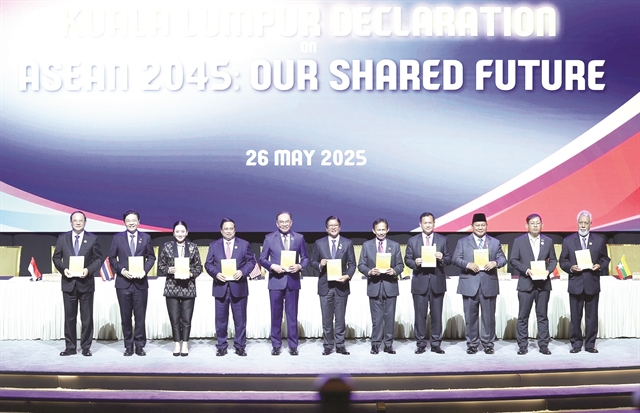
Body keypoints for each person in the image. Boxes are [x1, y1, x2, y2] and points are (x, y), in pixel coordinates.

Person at [453, 213, 506, 355]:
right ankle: (472, 344)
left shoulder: (494, 242)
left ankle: (488, 344)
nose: (480, 228)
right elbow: (455, 259)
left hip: (488, 284)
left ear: (487, 226)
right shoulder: (463, 242)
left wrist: (495, 263)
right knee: (470, 317)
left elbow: (502, 258)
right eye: (477, 225)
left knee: (489, 318)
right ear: (472, 226)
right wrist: (468, 264)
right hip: (469, 284)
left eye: (483, 225)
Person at [52, 211, 104, 357]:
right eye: (75, 220)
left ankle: (86, 347)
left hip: (86, 283)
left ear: (85, 222)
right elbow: (56, 258)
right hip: (68, 283)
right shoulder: (62, 238)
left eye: (81, 220)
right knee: (70, 318)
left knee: (86, 318)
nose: (78, 223)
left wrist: (88, 270)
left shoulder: (92, 239)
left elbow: (98, 259)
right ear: (71, 222)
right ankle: (70, 347)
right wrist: (64, 270)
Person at [559, 210, 610, 354]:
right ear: (577, 223)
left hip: (592, 283)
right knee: (575, 317)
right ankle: (576, 344)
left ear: (590, 224)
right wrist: (571, 267)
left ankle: (590, 345)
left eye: (585, 223)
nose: (583, 225)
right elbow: (562, 261)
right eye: (580, 222)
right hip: (575, 283)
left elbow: (605, 259)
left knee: (591, 317)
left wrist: (599, 265)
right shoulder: (568, 240)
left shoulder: (599, 240)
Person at [259, 211, 309, 356]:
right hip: (276, 281)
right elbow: (262, 259)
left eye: (287, 221)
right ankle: (276, 345)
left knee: (292, 315)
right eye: (281, 222)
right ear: (277, 223)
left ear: (291, 222)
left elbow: (305, 258)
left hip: (292, 281)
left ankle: (293, 345)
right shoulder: (269, 238)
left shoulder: (299, 238)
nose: (284, 224)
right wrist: (272, 266)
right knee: (276, 315)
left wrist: (300, 266)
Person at [205, 218, 256, 357]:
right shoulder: (214, 245)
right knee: (221, 321)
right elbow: (208, 264)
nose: (228, 231)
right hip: (220, 287)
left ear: (235, 229)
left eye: (231, 228)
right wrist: (216, 274)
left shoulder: (244, 244)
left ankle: (240, 346)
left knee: (240, 320)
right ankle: (221, 346)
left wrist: (242, 272)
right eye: (226, 229)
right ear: (221, 230)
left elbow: (251, 262)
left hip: (239, 287)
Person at [108, 209, 156, 356]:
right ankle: (128, 346)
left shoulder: (146, 238)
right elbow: (111, 258)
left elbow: (151, 257)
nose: (131, 223)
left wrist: (144, 271)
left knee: (140, 317)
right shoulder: (117, 238)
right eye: (128, 221)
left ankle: (140, 345)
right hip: (123, 283)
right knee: (126, 317)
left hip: (140, 284)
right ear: (124, 222)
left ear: (139, 222)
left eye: (134, 220)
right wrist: (121, 270)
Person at [509, 213, 557, 355]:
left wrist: (548, 271)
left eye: (538, 223)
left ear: (542, 225)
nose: (535, 225)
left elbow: (553, 260)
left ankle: (543, 345)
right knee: (523, 316)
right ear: (527, 225)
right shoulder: (519, 241)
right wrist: (526, 270)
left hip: (543, 284)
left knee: (542, 316)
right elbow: (513, 260)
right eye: (532, 223)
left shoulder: (548, 241)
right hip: (526, 283)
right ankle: (522, 345)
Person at [404, 212, 451, 355]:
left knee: (437, 315)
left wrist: (442, 258)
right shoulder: (413, 241)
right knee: (420, 316)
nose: (428, 225)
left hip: (437, 282)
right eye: (425, 223)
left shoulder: (442, 240)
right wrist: (415, 262)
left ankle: (436, 344)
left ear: (434, 223)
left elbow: (449, 259)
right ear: (420, 224)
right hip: (420, 283)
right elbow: (407, 259)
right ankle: (420, 344)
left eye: (430, 222)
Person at [310, 216, 356, 356]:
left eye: (336, 225)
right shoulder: (319, 243)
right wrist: (320, 264)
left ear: (339, 227)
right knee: (327, 319)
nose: (333, 227)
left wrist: (347, 276)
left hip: (341, 286)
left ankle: (340, 345)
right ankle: (328, 345)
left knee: (340, 319)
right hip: (325, 286)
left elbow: (352, 264)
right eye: (330, 225)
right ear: (326, 228)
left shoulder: (347, 243)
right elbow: (312, 261)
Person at [358, 218, 404, 355]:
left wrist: (394, 271)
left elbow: (400, 265)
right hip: (374, 285)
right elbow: (361, 265)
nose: (381, 232)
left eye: (384, 229)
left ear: (388, 230)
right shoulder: (367, 245)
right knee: (376, 319)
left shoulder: (395, 245)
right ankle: (375, 344)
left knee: (389, 318)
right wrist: (369, 272)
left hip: (390, 286)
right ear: (374, 230)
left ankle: (388, 344)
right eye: (379, 230)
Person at [157, 221, 202, 357]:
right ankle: (177, 343)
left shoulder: (193, 247)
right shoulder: (167, 246)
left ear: (187, 232)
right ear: (173, 233)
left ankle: (185, 343)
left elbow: (199, 267)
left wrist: (191, 274)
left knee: (187, 319)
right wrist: (169, 270)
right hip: (172, 287)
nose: (180, 234)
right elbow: (160, 265)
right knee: (174, 318)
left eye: (182, 231)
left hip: (188, 287)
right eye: (177, 231)